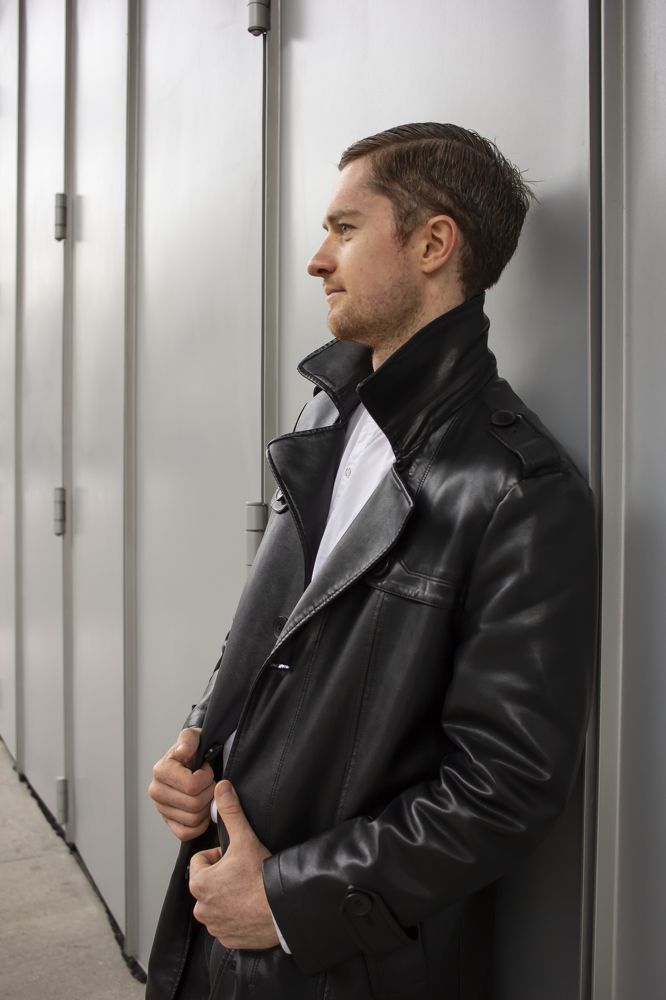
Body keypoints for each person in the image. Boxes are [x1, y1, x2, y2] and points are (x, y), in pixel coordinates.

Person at [145, 123, 598, 1000]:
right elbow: (274, 627)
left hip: (344, 965)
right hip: (218, 917)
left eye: (346, 229)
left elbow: (503, 788)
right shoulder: (327, 415)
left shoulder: (517, 488)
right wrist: (199, 744)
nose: (318, 259)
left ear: (433, 244)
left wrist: (287, 902)